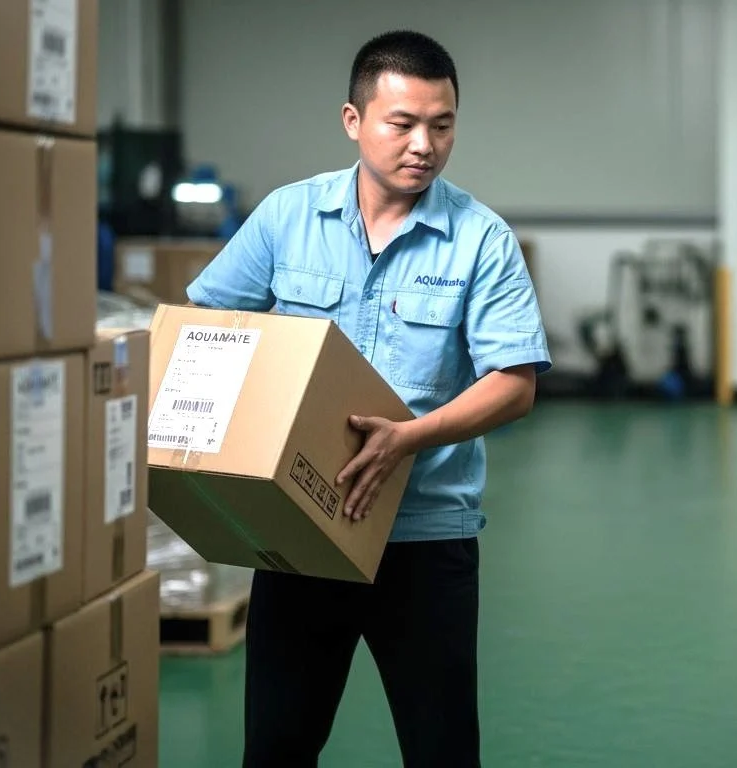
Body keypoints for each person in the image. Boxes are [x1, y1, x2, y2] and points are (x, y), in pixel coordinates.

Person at [185, 30, 550, 767]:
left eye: (442, 126)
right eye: (403, 123)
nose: (424, 145)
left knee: (442, 747)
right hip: (298, 532)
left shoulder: (480, 240)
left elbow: (514, 386)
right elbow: (207, 331)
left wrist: (407, 439)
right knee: (278, 746)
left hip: (424, 538)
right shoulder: (288, 218)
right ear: (353, 121)